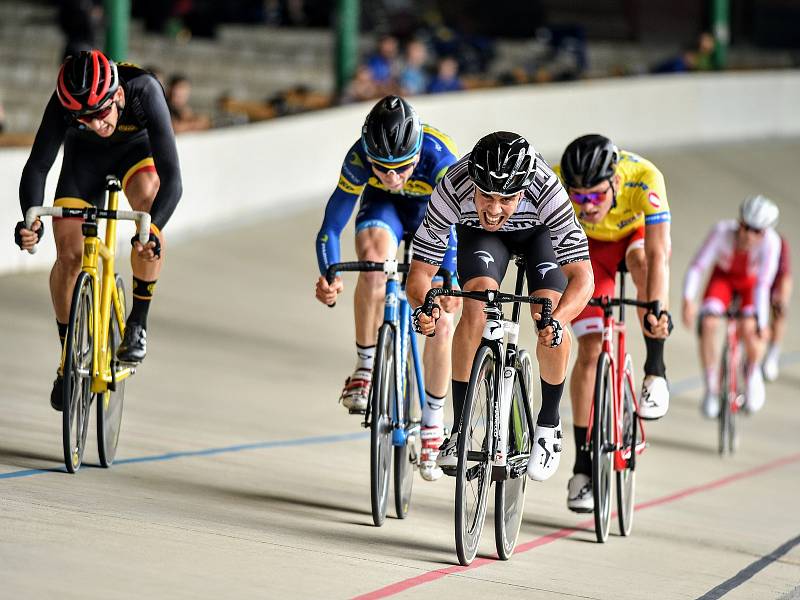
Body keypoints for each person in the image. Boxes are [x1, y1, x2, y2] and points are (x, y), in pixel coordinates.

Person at [408, 131, 594, 483]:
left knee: (548, 311)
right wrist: (423, 307)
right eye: (486, 195)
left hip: (538, 236)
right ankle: (461, 428)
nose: (494, 208)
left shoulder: (547, 188)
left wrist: (559, 321)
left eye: (506, 199)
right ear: (472, 183)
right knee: (476, 304)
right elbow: (420, 273)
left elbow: (583, 279)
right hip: (481, 237)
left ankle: (549, 423)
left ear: (523, 191)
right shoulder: (453, 185)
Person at [15, 49, 182, 410]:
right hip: (84, 162)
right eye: (83, 118)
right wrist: (30, 219)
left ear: (118, 96)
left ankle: (138, 320)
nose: (95, 124)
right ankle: (68, 358)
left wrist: (151, 231)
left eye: (100, 113)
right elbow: (38, 165)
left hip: (136, 153)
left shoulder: (144, 89)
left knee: (149, 208)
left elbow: (173, 180)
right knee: (69, 257)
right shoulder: (64, 102)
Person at [314, 95, 460, 481]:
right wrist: (329, 273)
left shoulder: (441, 159)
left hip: (435, 216)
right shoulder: (360, 156)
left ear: (416, 153)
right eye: (383, 169)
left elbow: (456, 231)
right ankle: (365, 367)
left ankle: (432, 422)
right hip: (385, 212)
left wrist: (449, 279)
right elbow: (331, 227)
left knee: (443, 319)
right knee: (375, 265)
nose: (393, 178)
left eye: (402, 168)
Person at [556, 134, 673, 513]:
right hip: (588, 253)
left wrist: (657, 308)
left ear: (616, 183)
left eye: (595, 196)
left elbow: (658, 255)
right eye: (579, 197)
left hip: (632, 242)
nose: (587, 206)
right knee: (589, 353)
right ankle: (582, 466)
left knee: (643, 265)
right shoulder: (556, 179)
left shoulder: (645, 178)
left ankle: (655, 370)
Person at [682, 195, 781, 416]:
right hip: (723, 281)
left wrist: (762, 323)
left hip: (751, 287)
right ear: (739, 222)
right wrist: (688, 299)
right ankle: (711, 388)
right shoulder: (721, 232)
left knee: (750, 329)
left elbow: (763, 285)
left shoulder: (772, 244)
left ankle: (753, 371)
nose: (747, 235)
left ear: (765, 232)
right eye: (745, 227)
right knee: (708, 323)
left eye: (756, 231)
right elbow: (698, 266)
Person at [764, 234, 792, 381]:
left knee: (780, 313)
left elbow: (785, 277)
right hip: (753, 281)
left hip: (773, 283)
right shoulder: (748, 238)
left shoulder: (780, 244)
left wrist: (781, 299)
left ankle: (772, 355)